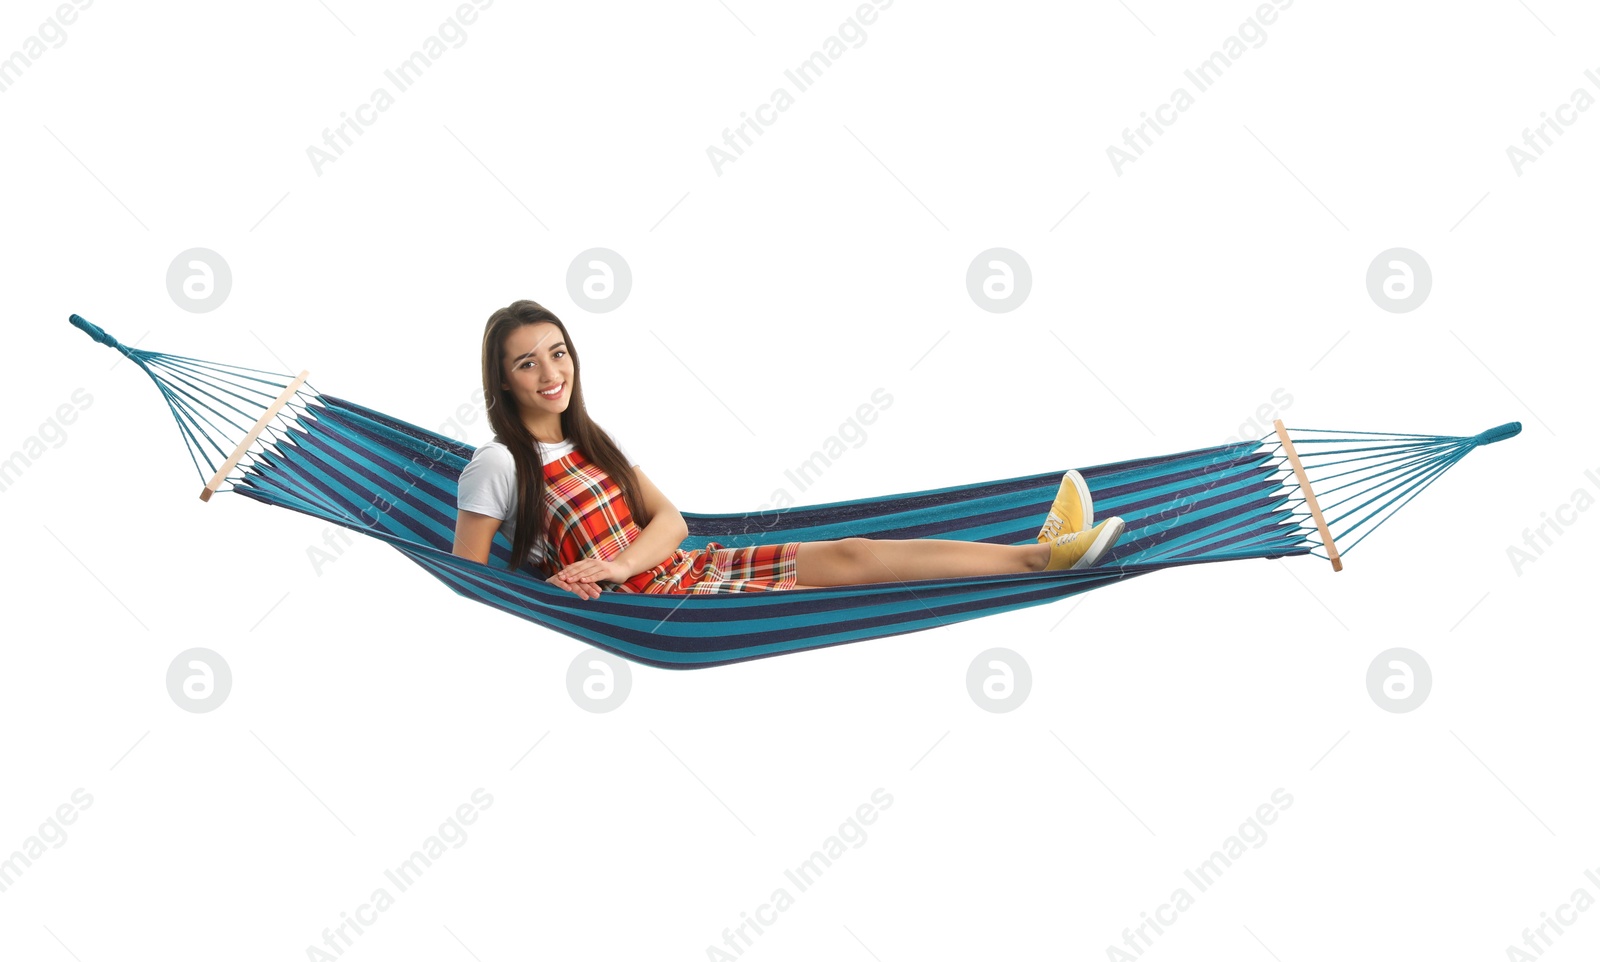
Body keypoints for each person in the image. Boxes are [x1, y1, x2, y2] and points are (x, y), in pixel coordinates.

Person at [451, 299, 1126, 599]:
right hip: (658, 606)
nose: (550, 374)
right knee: (854, 559)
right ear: (502, 380)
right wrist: (565, 583)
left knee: (855, 550)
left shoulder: (593, 440)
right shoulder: (499, 465)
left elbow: (674, 522)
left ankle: (1044, 553)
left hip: (680, 570)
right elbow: (473, 579)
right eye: (526, 364)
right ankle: (1043, 555)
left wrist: (616, 563)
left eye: (558, 353)